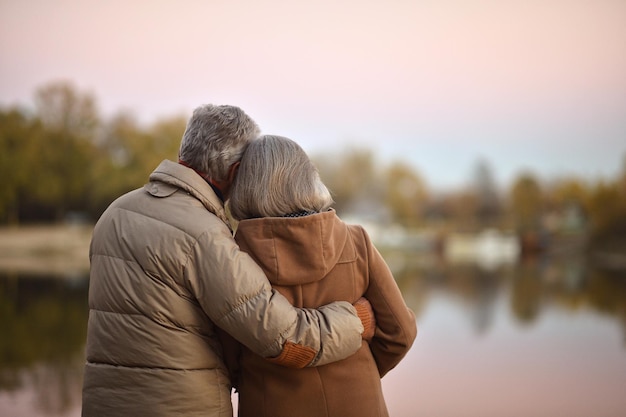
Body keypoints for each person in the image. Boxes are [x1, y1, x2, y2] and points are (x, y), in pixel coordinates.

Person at [81, 105, 375, 417]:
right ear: (236, 172)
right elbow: (285, 339)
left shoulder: (115, 213)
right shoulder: (204, 235)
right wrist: (356, 320)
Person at [221, 135, 418, 417]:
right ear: (307, 177)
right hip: (359, 404)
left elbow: (227, 358)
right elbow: (400, 332)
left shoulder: (233, 257)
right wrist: (361, 372)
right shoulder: (357, 241)